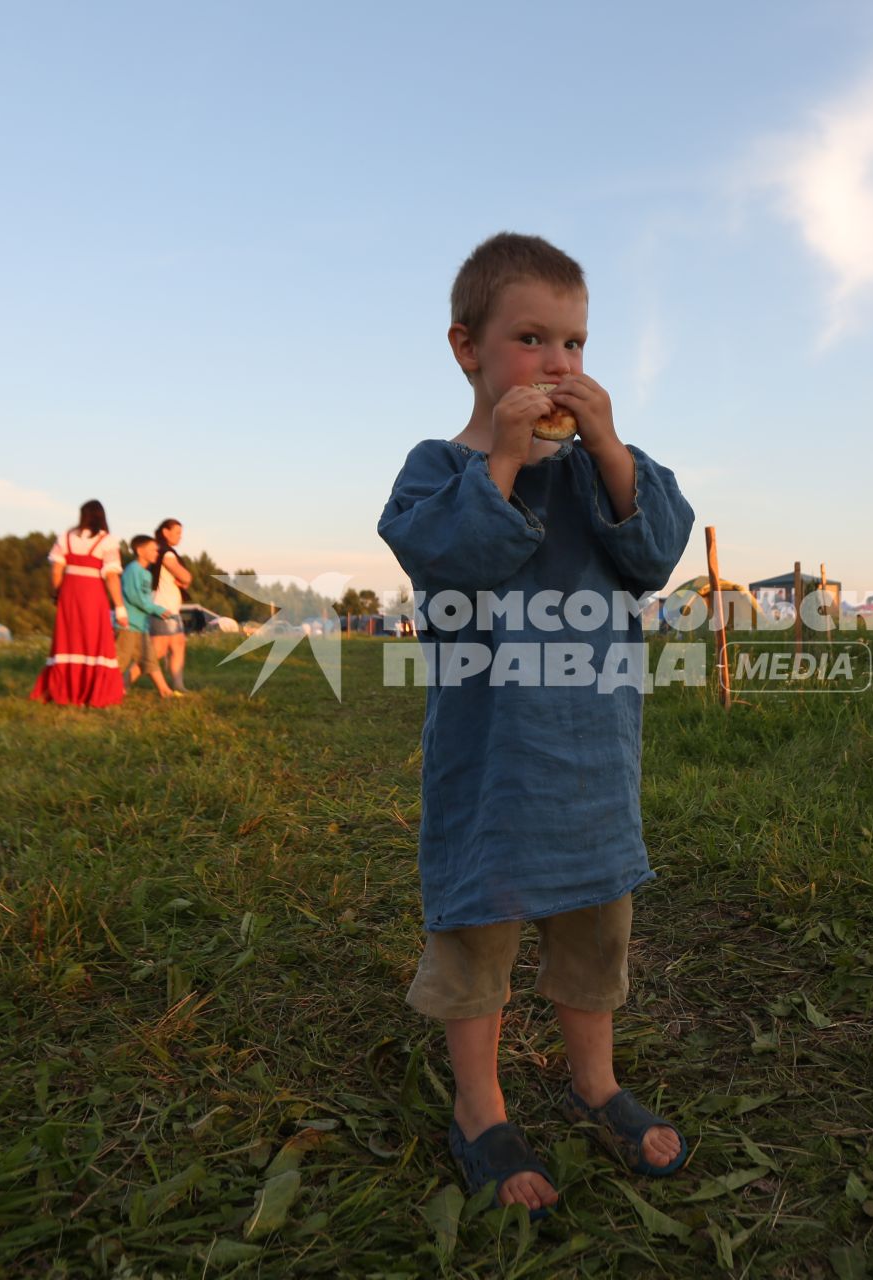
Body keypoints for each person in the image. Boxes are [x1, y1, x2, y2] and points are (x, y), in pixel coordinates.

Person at [377, 232, 697, 1218]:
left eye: (576, 342)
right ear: (465, 347)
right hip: (491, 761)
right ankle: (480, 1104)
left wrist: (604, 446)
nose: (560, 363)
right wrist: (508, 456)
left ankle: (593, 1077)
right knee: (479, 927)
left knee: (597, 924)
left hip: (590, 759)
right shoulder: (440, 468)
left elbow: (655, 553)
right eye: (531, 338)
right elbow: (452, 557)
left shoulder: (610, 469)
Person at [32, 499, 127, 707]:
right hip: (93, 594)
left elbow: (56, 571)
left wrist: (59, 594)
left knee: (68, 639)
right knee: (95, 640)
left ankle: (62, 690)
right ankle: (92, 693)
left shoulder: (65, 538)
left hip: (69, 593)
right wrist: (120, 607)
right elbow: (111, 576)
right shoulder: (107, 541)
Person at [119, 535, 178, 699]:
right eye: (152, 549)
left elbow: (145, 598)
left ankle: (165, 692)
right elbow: (135, 597)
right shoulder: (133, 570)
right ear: (139, 550)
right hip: (128, 626)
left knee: (150, 660)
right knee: (120, 662)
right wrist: (157, 609)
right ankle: (103, 691)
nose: (156, 553)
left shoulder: (146, 574)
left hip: (141, 625)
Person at [150, 519, 193, 693]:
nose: (180, 537)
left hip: (170, 608)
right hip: (163, 608)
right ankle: (124, 681)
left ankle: (178, 686)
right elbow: (186, 577)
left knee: (178, 645)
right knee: (157, 652)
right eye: (177, 533)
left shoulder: (160, 551)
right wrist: (186, 578)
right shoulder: (166, 553)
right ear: (165, 532)